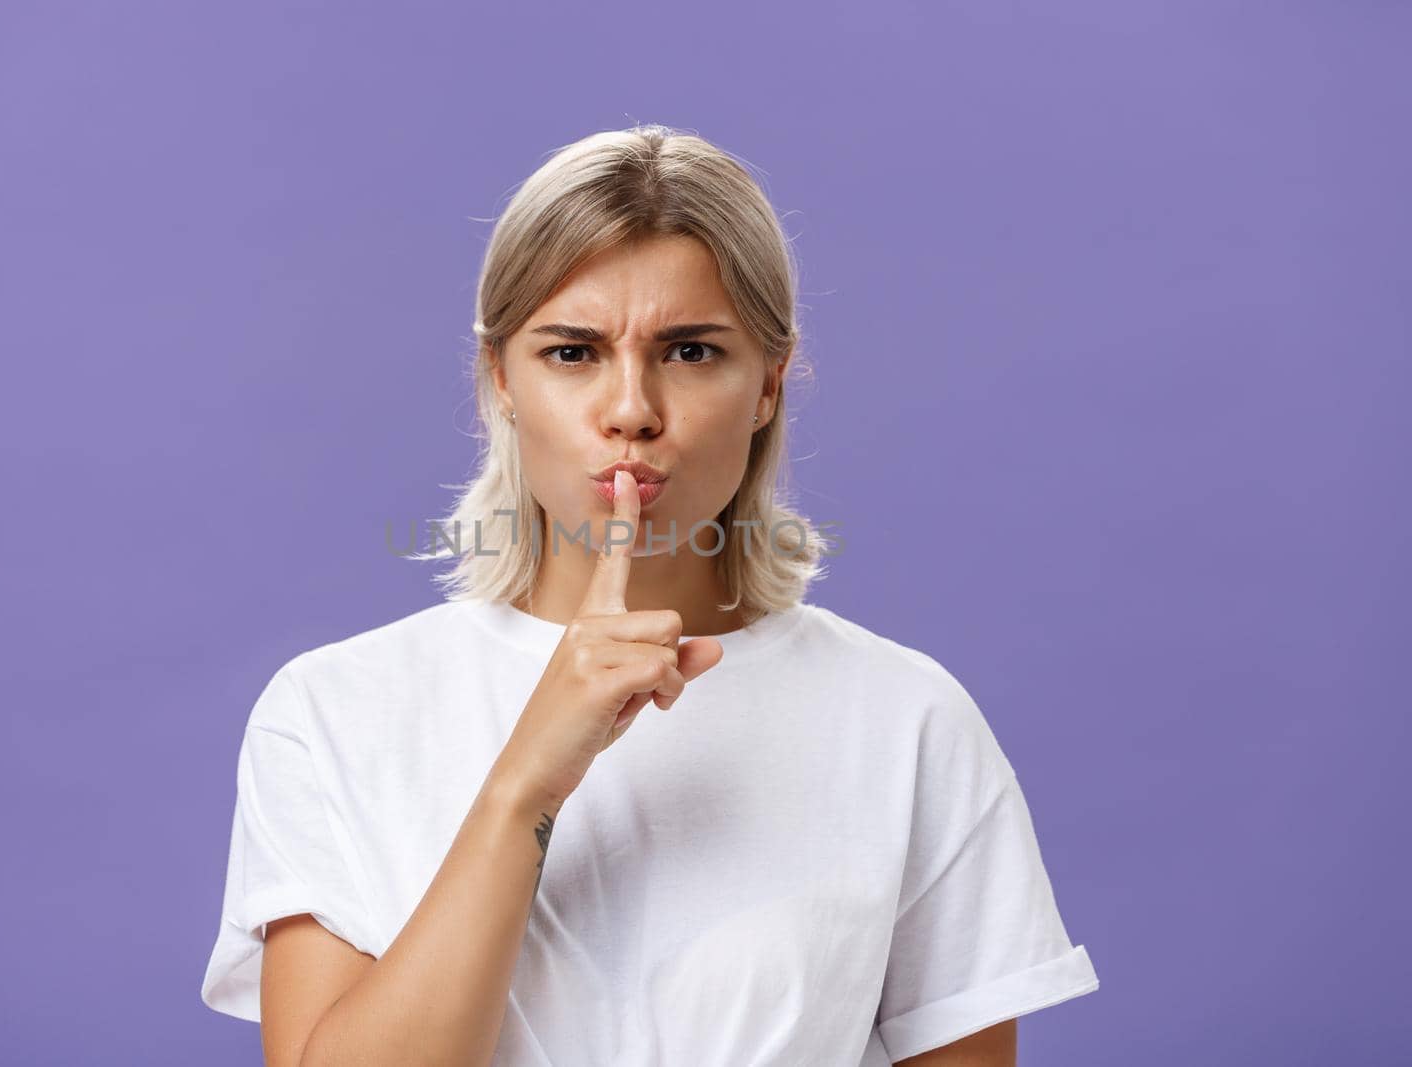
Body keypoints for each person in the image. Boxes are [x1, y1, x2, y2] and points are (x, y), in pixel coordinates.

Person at [200, 125, 1099, 1066]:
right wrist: (526, 785)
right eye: (574, 352)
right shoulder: (332, 710)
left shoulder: (908, 720)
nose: (631, 409)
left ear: (769, 385)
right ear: (500, 376)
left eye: (691, 351)